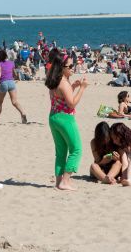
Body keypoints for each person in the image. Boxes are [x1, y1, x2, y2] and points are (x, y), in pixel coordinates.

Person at [45, 52, 88, 191]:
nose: (72, 68)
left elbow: (60, 96)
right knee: (76, 149)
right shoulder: (63, 83)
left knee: (61, 152)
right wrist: (82, 88)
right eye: (70, 66)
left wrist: (73, 87)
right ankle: (65, 181)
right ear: (62, 67)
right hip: (65, 118)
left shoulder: (54, 80)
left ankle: (59, 182)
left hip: (54, 118)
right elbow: (72, 104)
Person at [0, 49, 27, 125]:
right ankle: (23, 113)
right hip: (11, 83)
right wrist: (16, 78)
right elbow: (14, 73)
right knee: (14, 102)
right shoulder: (11, 63)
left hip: (4, 83)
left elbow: (0, 71)